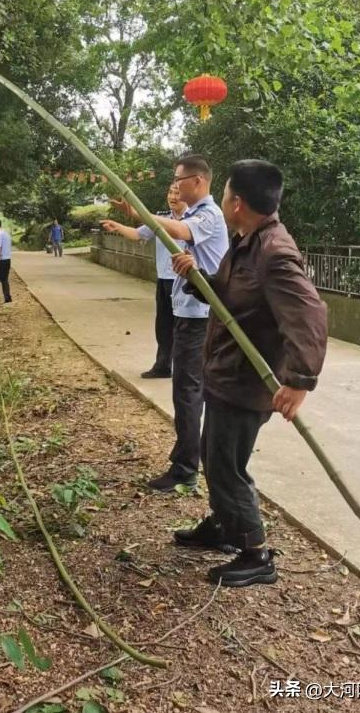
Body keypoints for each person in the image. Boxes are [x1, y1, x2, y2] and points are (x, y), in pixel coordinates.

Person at [171, 160, 328, 587]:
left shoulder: (274, 252)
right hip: (226, 371)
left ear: (237, 202)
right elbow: (232, 293)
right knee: (216, 455)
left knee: (226, 465)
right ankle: (226, 525)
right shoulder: (249, 241)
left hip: (245, 381)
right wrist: (196, 277)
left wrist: (300, 381)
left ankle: (255, 552)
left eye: (224, 193)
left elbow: (310, 314)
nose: (221, 199)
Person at [111, 155, 229, 492]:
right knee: (188, 390)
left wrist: (144, 212)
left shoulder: (208, 215)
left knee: (188, 391)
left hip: (200, 316)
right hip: (186, 309)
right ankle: (188, 458)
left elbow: (176, 229)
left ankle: (186, 469)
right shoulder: (192, 214)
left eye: (179, 179)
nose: (175, 185)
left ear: (198, 181)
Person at [100, 184, 188, 379]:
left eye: (177, 193)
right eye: (170, 192)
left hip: (185, 281)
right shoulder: (161, 219)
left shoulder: (193, 221)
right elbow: (138, 234)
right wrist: (118, 226)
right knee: (163, 325)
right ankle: (163, 365)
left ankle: (186, 369)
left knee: (184, 327)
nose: (173, 197)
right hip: (164, 279)